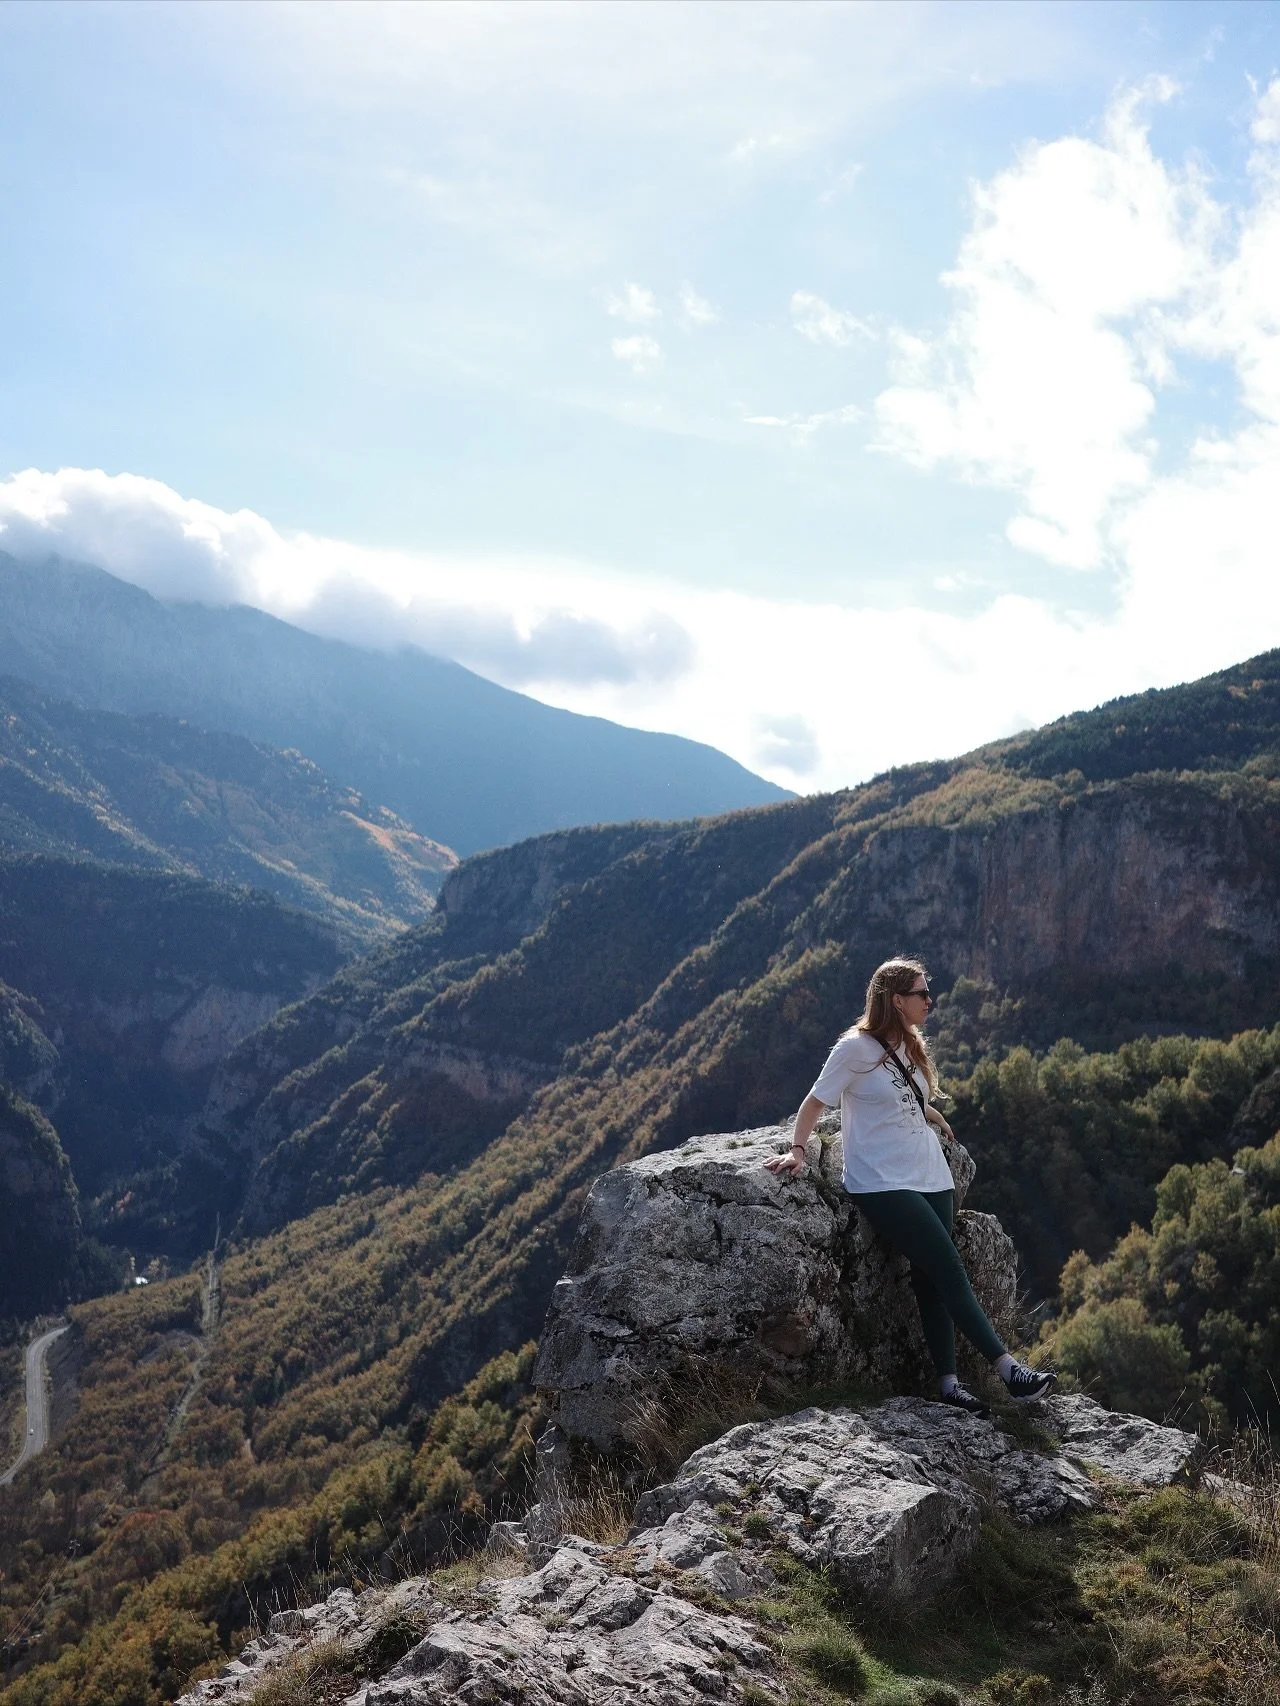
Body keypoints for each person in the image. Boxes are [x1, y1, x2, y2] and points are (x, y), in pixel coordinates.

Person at [765, 956, 1053, 1417]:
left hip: (929, 1173)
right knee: (949, 1265)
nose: (930, 1001)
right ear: (896, 1000)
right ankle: (1008, 1371)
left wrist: (930, 1113)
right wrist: (798, 1151)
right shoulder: (854, 1049)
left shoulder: (907, 1043)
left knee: (931, 1279)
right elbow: (814, 1102)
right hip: (881, 1180)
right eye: (921, 993)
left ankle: (950, 1384)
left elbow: (907, 1097)